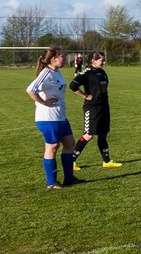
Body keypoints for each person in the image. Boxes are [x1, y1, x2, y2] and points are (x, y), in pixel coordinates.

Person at [25, 46, 83, 190]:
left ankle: (69, 178)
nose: (65, 58)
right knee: (52, 146)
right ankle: (51, 183)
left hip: (60, 116)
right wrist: (44, 102)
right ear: (54, 59)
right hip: (48, 117)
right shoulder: (46, 73)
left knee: (69, 144)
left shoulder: (57, 72)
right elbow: (30, 90)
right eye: (62, 56)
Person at [69, 52, 122, 170]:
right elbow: (72, 85)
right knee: (88, 135)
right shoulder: (86, 73)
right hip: (92, 108)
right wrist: (85, 96)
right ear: (93, 61)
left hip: (104, 107)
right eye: (101, 60)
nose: (103, 62)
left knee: (103, 135)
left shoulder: (102, 72)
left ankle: (106, 161)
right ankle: (71, 161)